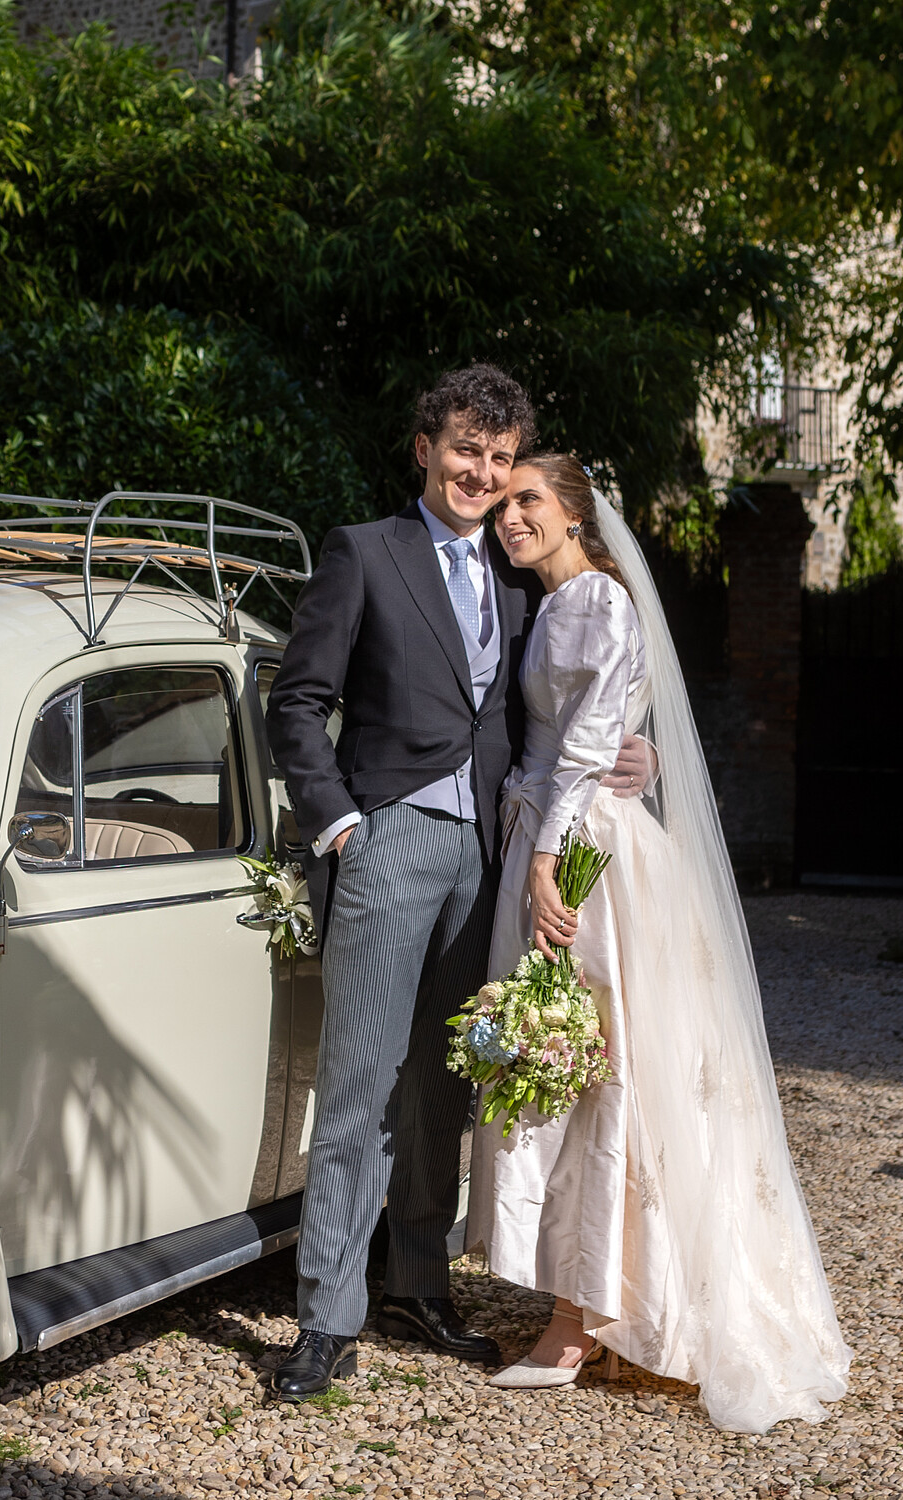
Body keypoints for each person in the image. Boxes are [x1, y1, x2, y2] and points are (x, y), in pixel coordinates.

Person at [262, 364, 654, 1401]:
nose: (479, 472)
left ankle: (417, 1288)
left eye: (496, 456)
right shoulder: (364, 553)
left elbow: (569, 714)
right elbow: (295, 700)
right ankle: (325, 1318)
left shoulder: (525, 579)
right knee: (355, 1084)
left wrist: (631, 757)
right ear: (423, 450)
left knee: (441, 1088)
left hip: (490, 855)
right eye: (462, 451)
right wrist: (341, 823)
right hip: (387, 842)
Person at [468, 454, 850, 1432]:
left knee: (600, 1066)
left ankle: (573, 1322)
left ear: (572, 516)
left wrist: (549, 871)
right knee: (579, 1064)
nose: (510, 517)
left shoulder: (593, 602)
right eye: (503, 503)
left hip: (588, 853)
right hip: (562, 837)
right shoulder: (554, 603)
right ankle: (587, 1301)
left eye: (528, 503)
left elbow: (592, 754)